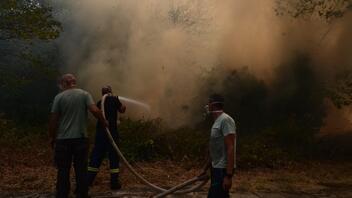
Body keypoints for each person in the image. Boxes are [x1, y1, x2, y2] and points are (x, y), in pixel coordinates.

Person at [48, 74, 107, 198]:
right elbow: (95, 111)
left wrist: (52, 137)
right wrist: (104, 122)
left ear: (64, 83)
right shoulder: (84, 94)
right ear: (74, 82)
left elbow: (53, 120)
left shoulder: (59, 97)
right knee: (81, 168)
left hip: (63, 140)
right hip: (80, 139)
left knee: (63, 169)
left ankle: (62, 194)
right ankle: (81, 193)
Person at [87, 85, 126, 190]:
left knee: (96, 156)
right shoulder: (114, 99)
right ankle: (114, 183)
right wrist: (124, 107)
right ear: (110, 92)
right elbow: (122, 110)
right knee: (113, 157)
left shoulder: (100, 102)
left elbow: (95, 112)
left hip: (101, 133)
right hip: (111, 133)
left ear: (102, 93)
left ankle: (88, 181)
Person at [206, 94, 236, 198]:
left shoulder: (225, 120)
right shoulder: (216, 122)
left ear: (213, 105)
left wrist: (228, 176)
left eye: (208, 103)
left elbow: (230, 148)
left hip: (222, 169)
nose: (207, 106)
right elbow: (215, 147)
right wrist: (206, 168)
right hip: (216, 167)